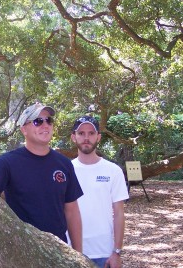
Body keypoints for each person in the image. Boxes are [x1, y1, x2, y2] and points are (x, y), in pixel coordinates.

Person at [0, 102, 83, 252]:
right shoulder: (7, 162)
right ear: (24, 129)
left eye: (49, 120)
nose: (45, 125)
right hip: (22, 252)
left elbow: (72, 210)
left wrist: (78, 255)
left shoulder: (64, 164)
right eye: (38, 121)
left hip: (59, 253)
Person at [70, 115, 129, 268]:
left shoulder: (113, 171)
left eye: (91, 133)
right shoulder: (65, 170)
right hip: (70, 251)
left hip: (104, 254)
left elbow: (119, 213)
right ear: (73, 137)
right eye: (81, 133)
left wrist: (116, 252)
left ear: (98, 137)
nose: (86, 138)